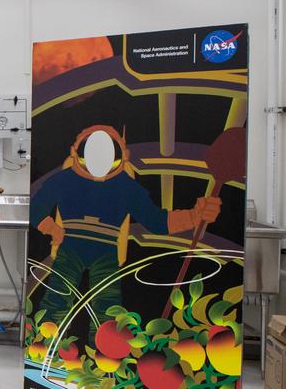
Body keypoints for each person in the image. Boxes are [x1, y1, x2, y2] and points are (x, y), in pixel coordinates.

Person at [30, 125, 221, 322]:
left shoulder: (125, 186)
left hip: (105, 252)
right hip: (71, 247)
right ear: (76, 152)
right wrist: (52, 229)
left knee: (107, 309)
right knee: (58, 301)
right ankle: (46, 344)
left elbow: (157, 222)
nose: (98, 162)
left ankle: (103, 349)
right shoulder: (65, 179)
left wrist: (196, 215)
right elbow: (35, 208)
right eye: (92, 153)